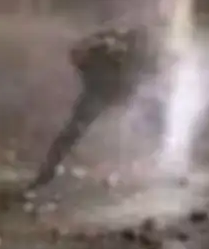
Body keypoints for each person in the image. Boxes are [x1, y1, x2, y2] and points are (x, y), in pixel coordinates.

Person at [26, 24, 167, 195]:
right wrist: (102, 42)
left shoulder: (138, 55)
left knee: (142, 127)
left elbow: (153, 72)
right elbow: (78, 57)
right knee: (72, 132)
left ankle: (150, 166)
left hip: (121, 96)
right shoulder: (101, 49)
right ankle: (47, 172)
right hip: (99, 95)